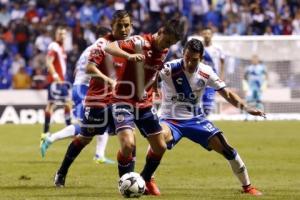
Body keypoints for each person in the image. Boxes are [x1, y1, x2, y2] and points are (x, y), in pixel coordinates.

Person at [155, 39, 264, 196]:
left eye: (194, 60)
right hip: (170, 120)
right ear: (182, 54)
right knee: (158, 140)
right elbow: (149, 76)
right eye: (187, 58)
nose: (190, 63)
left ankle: (247, 187)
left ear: (201, 57)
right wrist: (149, 89)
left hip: (196, 120)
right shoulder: (169, 68)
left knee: (227, 149)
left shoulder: (207, 72)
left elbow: (226, 93)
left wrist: (245, 108)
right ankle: (147, 179)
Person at [104, 18, 184, 195]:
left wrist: (152, 85)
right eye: (167, 40)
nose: (168, 45)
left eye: (171, 43)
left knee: (160, 147)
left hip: (144, 102)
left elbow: (153, 69)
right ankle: (125, 185)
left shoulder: (164, 49)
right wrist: (129, 56)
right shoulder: (139, 41)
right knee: (128, 145)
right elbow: (108, 47)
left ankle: (145, 179)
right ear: (161, 31)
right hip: (123, 99)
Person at [53, 10, 133, 187]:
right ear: (112, 26)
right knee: (84, 138)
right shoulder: (102, 43)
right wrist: (108, 80)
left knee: (128, 140)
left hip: (120, 101)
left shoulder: (131, 45)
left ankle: (126, 182)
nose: (124, 29)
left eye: (127, 25)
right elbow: (89, 68)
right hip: (98, 99)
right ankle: (61, 172)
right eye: (119, 25)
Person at [40, 27, 115, 164]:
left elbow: (76, 70)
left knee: (102, 122)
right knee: (85, 126)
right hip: (84, 89)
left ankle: (99, 155)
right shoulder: (101, 48)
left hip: (82, 87)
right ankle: (50, 138)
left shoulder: (87, 49)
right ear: (104, 36)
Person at [41, 26, 72, 139]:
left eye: (63, 34)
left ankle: (45, 133)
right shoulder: (54, 46)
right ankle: (69, 129)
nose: (62, 36)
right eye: (60, 34)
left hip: (60, 79)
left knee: (54, 104)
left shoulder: (61, 47)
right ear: (55, 35)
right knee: (66, 103)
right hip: (56, 81)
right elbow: (49, 62)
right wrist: (55, 76)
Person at [201, 27, 225, 116]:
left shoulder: (218, 49)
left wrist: (221, 77)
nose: (207, 36)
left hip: (212, 79)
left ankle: (204, 122)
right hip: (200, 79)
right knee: (197, 106)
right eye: (205, 34)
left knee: (207, 107)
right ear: (202, 35)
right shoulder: (198, 48)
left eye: (208, 34)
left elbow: (222, 63)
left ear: (212, 35)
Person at [243, 55, 267, 120]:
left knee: (258, 102)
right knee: (248, 102)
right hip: (250, 88)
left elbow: (266, 76)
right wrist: (245, 86)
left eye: (256, 59)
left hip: (259, 88)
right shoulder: (249, 68)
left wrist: (264, 85)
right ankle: (246, 117)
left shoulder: (262, 67)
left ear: (258, 60)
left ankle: (260, 116)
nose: (254, 60)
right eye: (253, 59)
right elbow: (244, 77)